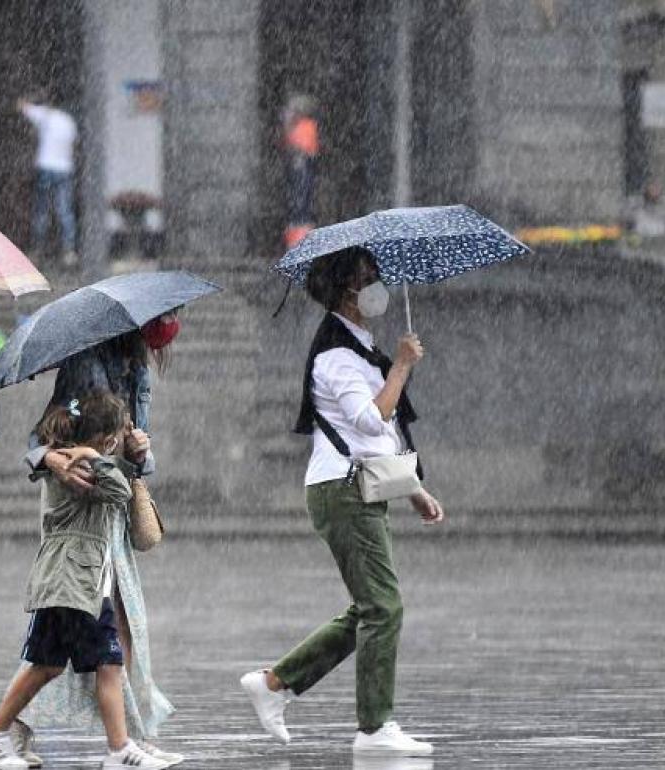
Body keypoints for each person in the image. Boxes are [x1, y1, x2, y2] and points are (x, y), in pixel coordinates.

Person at [240, 247, 445, 757]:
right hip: (343, 491)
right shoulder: (335, 354)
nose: (375, 286)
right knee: (384, 605)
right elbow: (370, 420)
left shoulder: (356, 347)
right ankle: (375, 728)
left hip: (361, 486)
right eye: (365, 278)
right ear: (343, 293)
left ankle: (274, 683)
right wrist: (400, 366)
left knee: (372, 606)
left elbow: (378, 440)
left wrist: (413, 488)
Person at [4, 312, 184, 768]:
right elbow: (44, 436)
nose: (168, 329)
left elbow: (134, 453)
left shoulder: (137, 367)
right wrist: (58, 460)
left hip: (109, 514)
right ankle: (12, 728)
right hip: (85, 515)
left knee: (118, 634)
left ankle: (126, 738)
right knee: (80, 645)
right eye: (163, 320)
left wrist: (142, 453)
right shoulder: (87, 364)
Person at [0, 392, 171, 770]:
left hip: (72, 580)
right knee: (108, 662)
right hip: (75, 582)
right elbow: (119, 492)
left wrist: (125, 459)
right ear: (107, 438)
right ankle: (119, 749)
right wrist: (103, 459)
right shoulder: (78, 467)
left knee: (45, 664)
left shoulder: (74, 460)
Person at [18, 91, 78, 266]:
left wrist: (30, 98)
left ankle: (38, 249)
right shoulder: (69, 122)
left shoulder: (45, 116)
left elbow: (21, 106)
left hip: (46, 167)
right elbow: (74, 145)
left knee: (41, 210)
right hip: (65, 168)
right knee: (64, 210)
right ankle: (68, 250)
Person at [282, 94, 320, 249]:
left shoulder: (302, 126)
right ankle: (299, 242)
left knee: (300, 205)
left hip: (302, 162)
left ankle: (298, 242)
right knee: (300, 205)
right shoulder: (305, 126)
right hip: (302, 162)